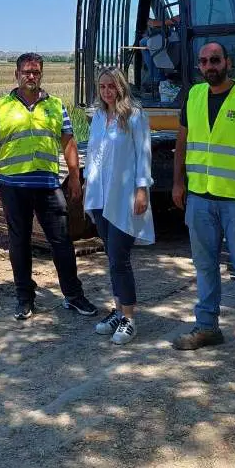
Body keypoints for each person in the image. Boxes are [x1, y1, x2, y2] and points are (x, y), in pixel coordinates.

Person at [172, 41, 235, 368]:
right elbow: (182, 142)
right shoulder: (194, 96)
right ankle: (207, 328)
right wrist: (178, 182)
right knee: (204, 267)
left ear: (227, 62)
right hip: (201, 200)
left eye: (214, 60)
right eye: (203, 61)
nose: (209, 66)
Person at [0, 52, 97, 321]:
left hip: (47, 184)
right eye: (26, 72)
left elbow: (68, 142)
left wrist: (76, 177)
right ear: (17, 74)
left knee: (62, 240)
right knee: (19, 243)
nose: (31, 76)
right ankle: (25, 298)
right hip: (12, 185)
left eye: (36, 72)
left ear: (41, 75)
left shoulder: (56, 106)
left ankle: (73, 296)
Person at [84, 67, 154, 345]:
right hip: (100, 197)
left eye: (111, 86)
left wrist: (141, 190)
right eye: (102, 87)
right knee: (111, 259)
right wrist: (88, 186)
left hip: (124, 197)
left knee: (120, 258)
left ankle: (129, 319)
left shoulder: (135, 116)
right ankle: (117, 310)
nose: (106, 91)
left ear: (121, 86)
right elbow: (93, 154)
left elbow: (143, 155)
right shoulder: (99, 117)